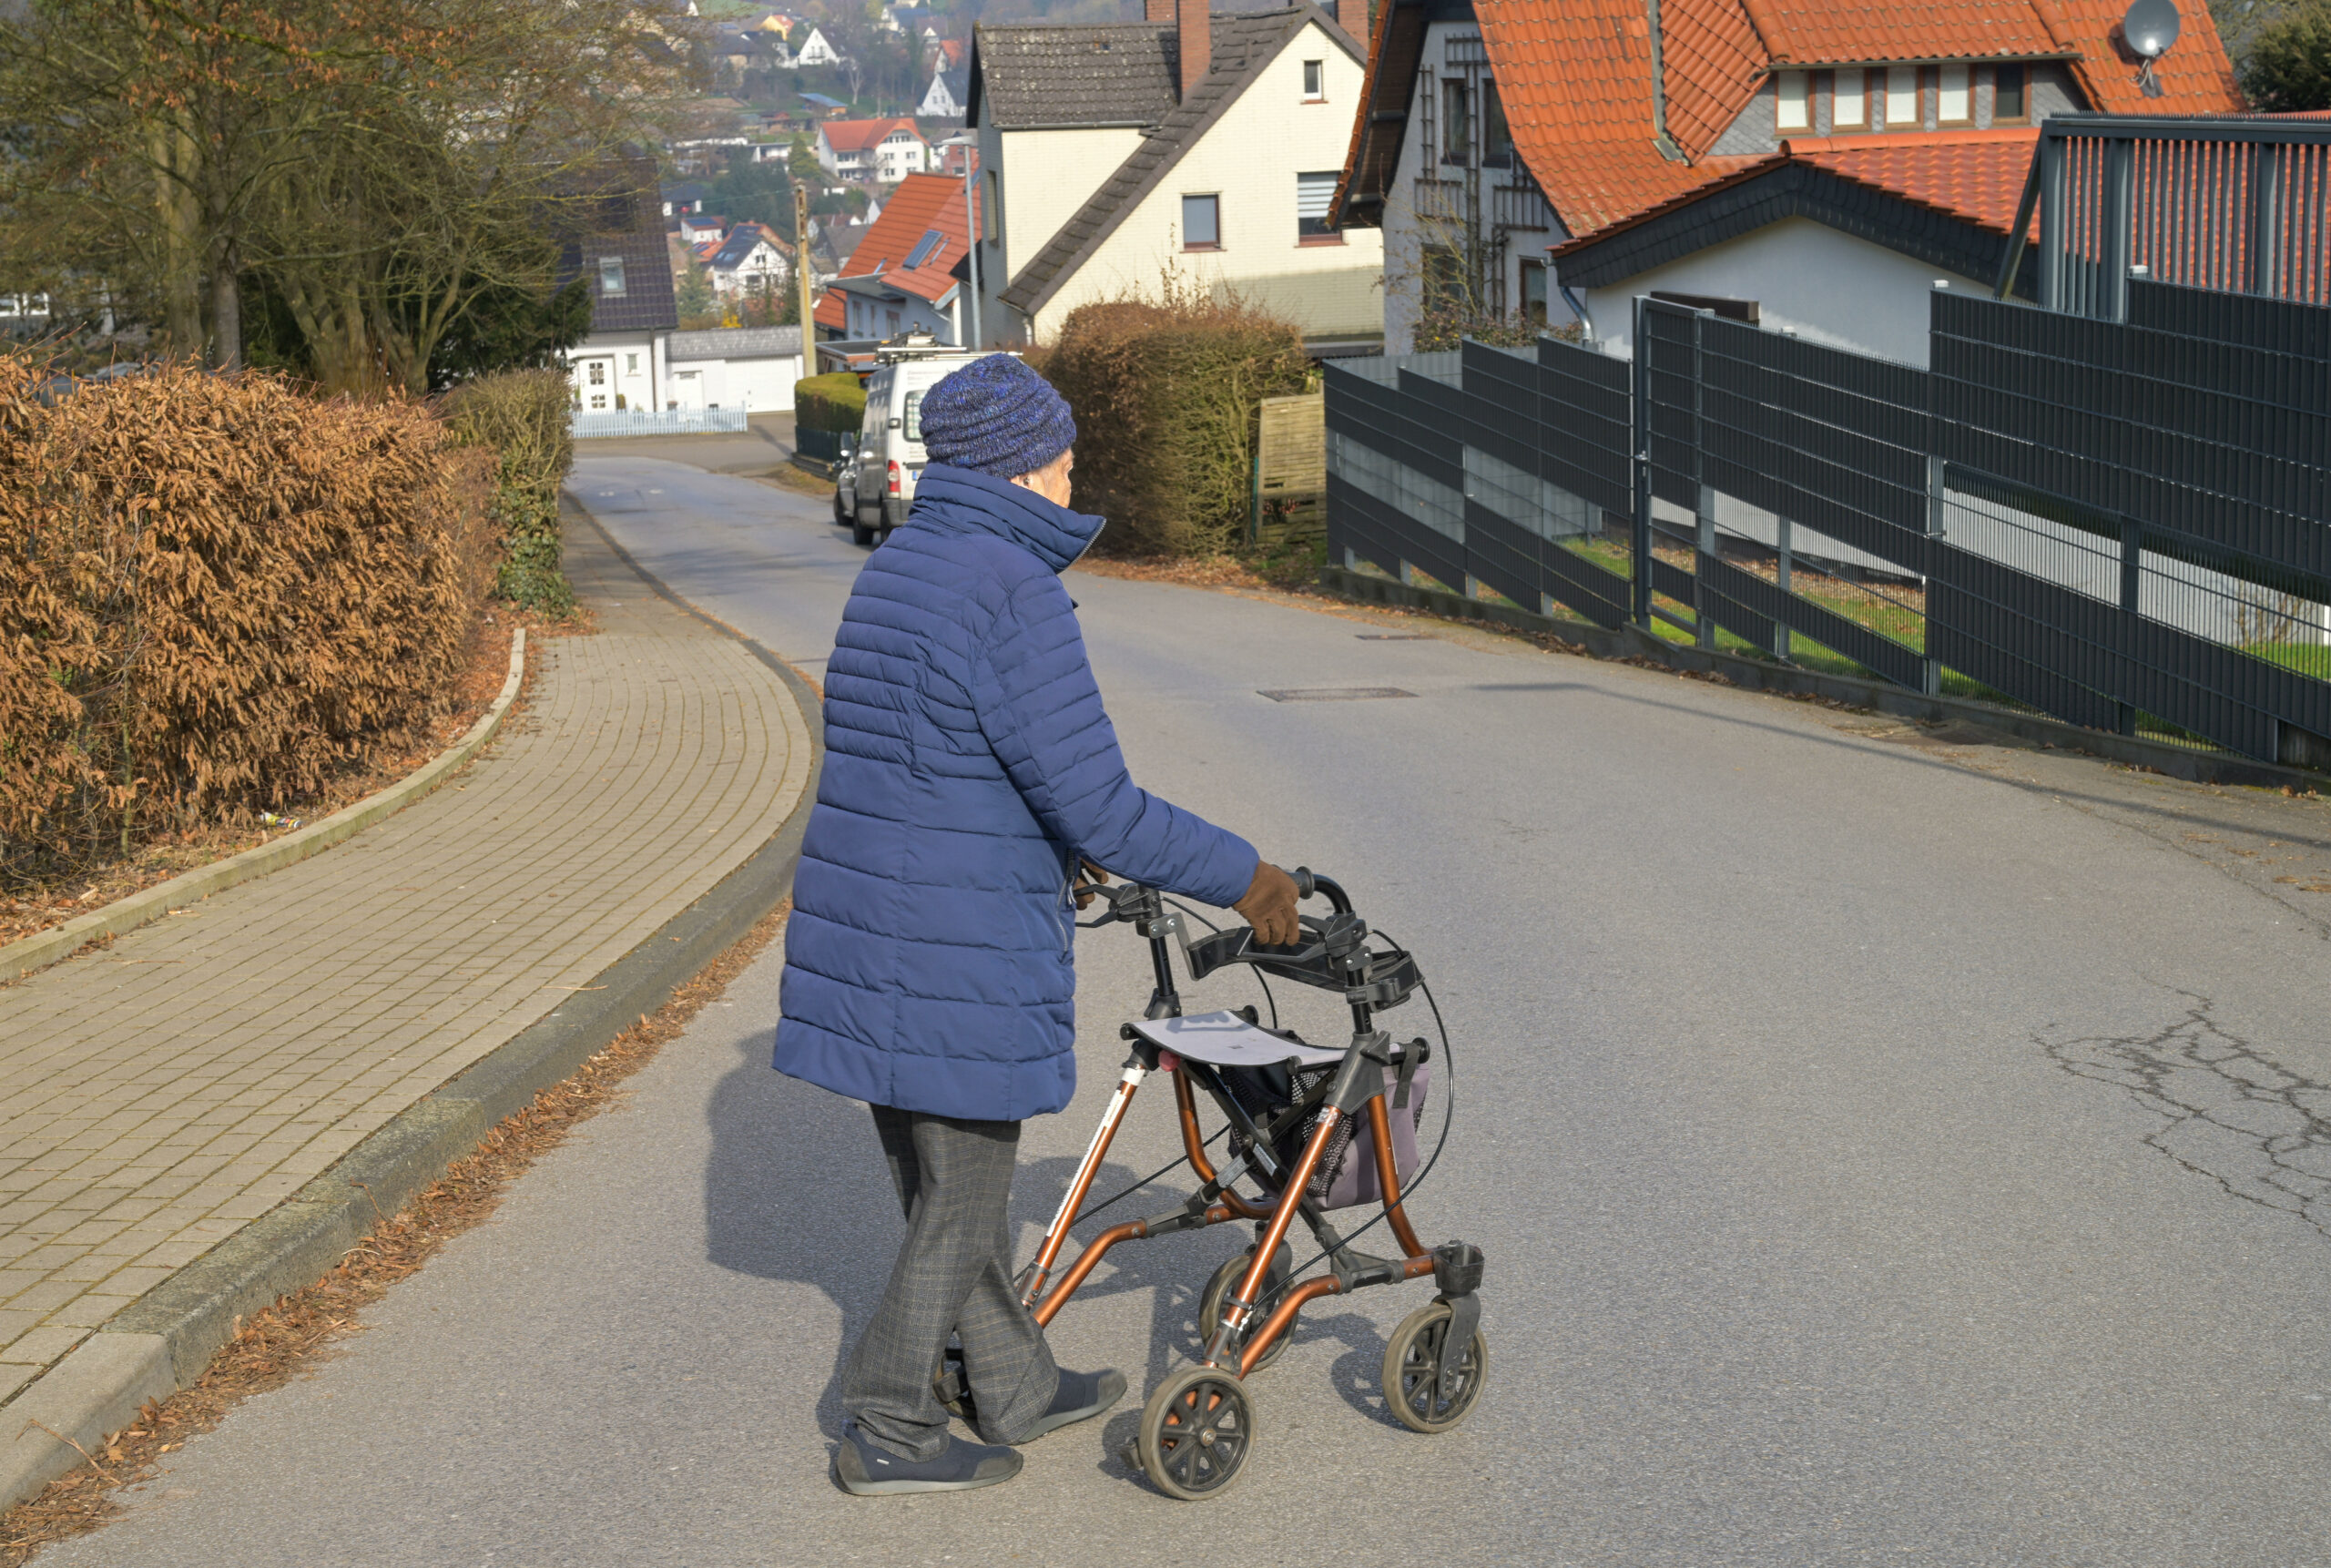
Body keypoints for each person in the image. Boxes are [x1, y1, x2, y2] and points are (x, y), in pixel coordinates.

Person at [774, 353, 1300, 1496]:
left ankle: (1009, 1384)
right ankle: (886, 1426)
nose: (1071, 479)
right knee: (959, 1209)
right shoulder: (1008, 586)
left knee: (942, 1191)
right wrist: (1247, 877)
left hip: (874, 929)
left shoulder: (903, 560)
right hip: (949, 947)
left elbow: (943, 759)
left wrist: (1044, 858)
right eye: (1063, 460)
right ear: (1024, 466)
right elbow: (1099, 804)